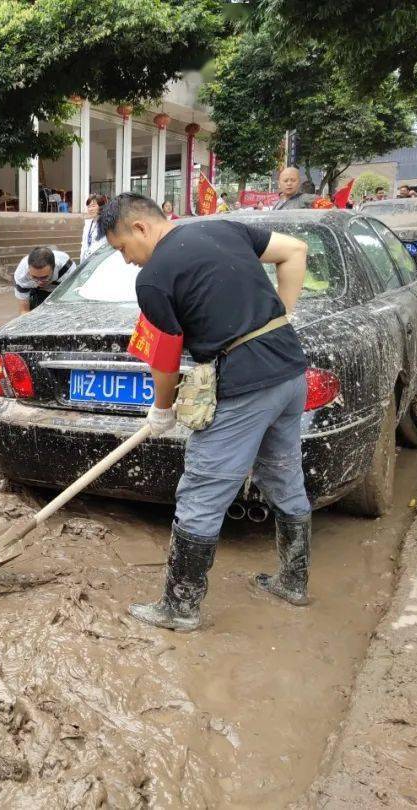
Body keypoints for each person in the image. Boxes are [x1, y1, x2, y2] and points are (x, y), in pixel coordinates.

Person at [99, 193, 312, 632]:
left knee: (202, 492)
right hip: (289, 373)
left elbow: (164, 361)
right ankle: (293, 581)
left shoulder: (155, 278)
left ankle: (180, 607)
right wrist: (282, 319)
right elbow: (295, 251)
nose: (126, 261)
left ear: (140, 228)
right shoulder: (224, 227)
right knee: (283, 474)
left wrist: (161, 410)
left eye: (122, 249)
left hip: (246, 388)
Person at [13, 247, 74, 314]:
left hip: (60, 286)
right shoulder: (21, 275)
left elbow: (71, 301)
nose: (39, 282)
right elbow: (24, 310)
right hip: (34, 289)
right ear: (29, 269)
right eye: (35, 277)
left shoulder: (67, 269)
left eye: (44, 277)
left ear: (54, 268)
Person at [80, 194, 107, 261]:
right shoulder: (88, 224)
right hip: (87, 261)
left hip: (100, 261)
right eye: (88, 206)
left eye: (93, 206)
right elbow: (83, 244)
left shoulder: (106, 224)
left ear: (101, 207)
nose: (90, 209)